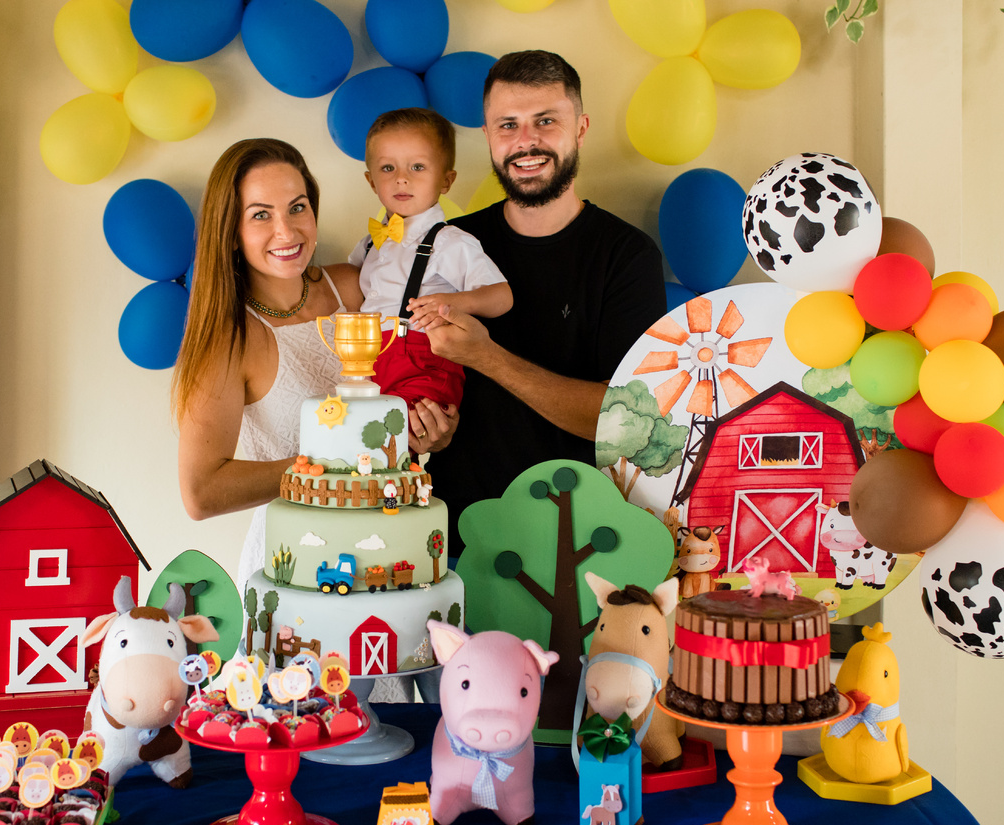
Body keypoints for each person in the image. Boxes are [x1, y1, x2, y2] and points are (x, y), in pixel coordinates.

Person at [424, 50, 668, 554]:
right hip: (455, 540)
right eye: (507, 125)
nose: (526, 141)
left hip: (581, 545)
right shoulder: (447, 244)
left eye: (545, 121)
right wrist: (424, 426)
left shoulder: (626, 256)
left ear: (580, 128)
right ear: (488, 136)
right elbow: (411, 378)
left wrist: (487, 357)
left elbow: (620, 422)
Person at [173, 138, 370, 584]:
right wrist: (330, 467)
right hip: (294, 562)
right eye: (261, 215)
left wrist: (432, 425)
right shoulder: (229, 337)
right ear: (232, 232)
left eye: (297, 208)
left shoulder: (354, 288)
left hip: (389, 544)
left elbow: (406, 391)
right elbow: (201, 492)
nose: (287, 231)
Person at [349, 107, 512, 412]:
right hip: (370, 363)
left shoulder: (448, 242)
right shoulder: (369, 244)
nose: (401, 179)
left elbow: (502, 297)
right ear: (371, 181)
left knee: (401, 429)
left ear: (446, 180)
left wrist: (454, 303)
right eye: (388, 168)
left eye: (418, 167)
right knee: (361, 430)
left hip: (423, 363)